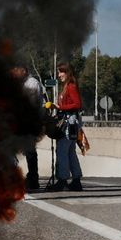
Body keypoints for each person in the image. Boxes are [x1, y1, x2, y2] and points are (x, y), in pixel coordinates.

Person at [51, 62, 84, 192]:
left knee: (62, 151)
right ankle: (76, 180)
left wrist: (60, 107)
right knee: (70, 151)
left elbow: (77, 104)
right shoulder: (67, 86)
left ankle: (62, 179)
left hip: (69, 122)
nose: (59, 75)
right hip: (71, 121)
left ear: (67, 73)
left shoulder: (70, 86)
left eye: (61, 72)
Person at [11, 64, 44, 192]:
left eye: (16, 70)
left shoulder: (32, 83)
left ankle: (33, 179)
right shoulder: (22, 84)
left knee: (30, 152)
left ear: (23, 71)